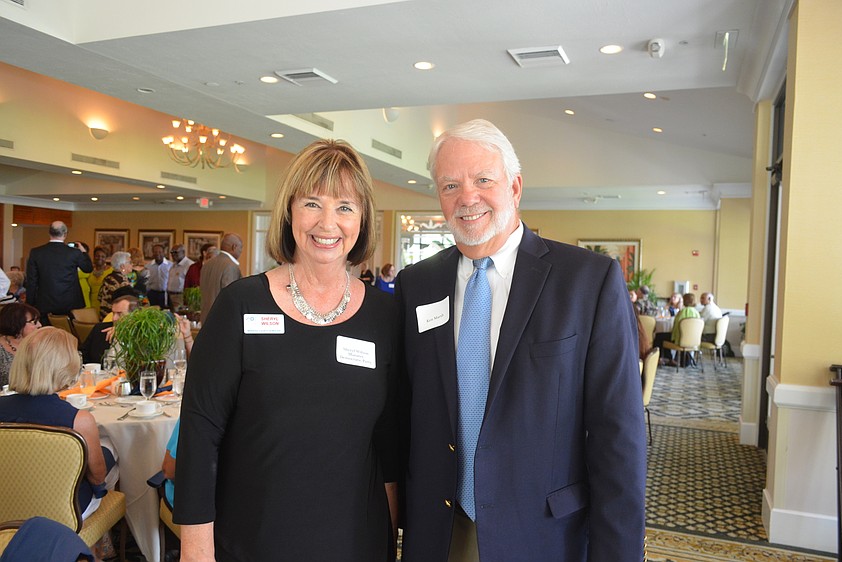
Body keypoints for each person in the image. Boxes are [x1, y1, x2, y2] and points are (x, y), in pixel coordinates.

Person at [395, 119, 645, 561]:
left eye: (483, 180)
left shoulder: (587, 281)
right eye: (450, 184)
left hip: (545, 534)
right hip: (438, 533)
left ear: (515, 186)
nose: (467, 197)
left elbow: (617, 436)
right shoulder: (417, 283)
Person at [175, 139, 398, 561]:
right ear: (290, 210)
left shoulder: (385, 316)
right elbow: (200, 436)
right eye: (313, 203)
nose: (328, 223)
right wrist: (196, 551)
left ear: (363, 219)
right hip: (255, 538)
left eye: (345, 207)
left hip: (356, 540)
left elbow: (388, 444)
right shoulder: (239, 307)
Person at [0, 328, 119, 521]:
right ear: (65, 366)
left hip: (6, 509)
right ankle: (101, 545)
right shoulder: (78, 420)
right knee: (111, 450)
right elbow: (98, 478)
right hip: (64, 514)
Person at [24, 221, 92, 324]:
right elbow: (88, 268)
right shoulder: (74, 253)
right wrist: (84, 253)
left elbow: (32, 281)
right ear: (65, 234)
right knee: (68, 335)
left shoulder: (36, 252)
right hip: (70, 304)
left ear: (49, 233)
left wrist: (30, 304)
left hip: (45, 303)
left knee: (46, 335)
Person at [79, 287, 140, 364]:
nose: (114, 318)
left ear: (134, 315)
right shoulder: (100, 330)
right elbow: (81, 356)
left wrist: (125, 334)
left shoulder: (141, 334)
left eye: (120, 314)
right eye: (113, 313)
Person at [199, 233, 243, 323]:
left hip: (205, 318)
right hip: (222, 320)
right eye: (241, 248)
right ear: (234, 247)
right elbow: (231, 298)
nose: (241, 252)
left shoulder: (207, 264)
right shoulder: (231, 266)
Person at [0, 303, 42, 387]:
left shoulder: (40, 344)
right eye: (34, 322)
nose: (40, 325)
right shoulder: (2, 350)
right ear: (17, 323)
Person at [97, 252, 133, 320]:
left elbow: (99, 297)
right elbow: (129, 304)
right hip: (115, 319)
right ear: (122, 266)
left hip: (104, 317)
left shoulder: (108, 277)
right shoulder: (123, 282)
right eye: (130, 262)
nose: (132, 264)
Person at [167, 244, 194, 311]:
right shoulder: (173, 265)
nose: (173, 254)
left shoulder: (189, 265)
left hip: (180, 296)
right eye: (171, 252)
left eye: (176, 252)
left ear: (183, 252)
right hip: (170, 296)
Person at [145, 244, 172, 309]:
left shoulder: (170, 265)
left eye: (160, 252)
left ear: (164, 253)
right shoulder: (148, 266)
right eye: (155, 252)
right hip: (152, 294)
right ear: (153, 253)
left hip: (166, 294)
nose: (157, 254)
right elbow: (146, 281)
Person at [87, 246, 112, 313]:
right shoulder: (89, 270)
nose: (100, 258)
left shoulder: (110, 271)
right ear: (94, 256)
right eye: (97, 256)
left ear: (106, 258)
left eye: (103, 256)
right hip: (91, 304)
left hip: (105, 304)